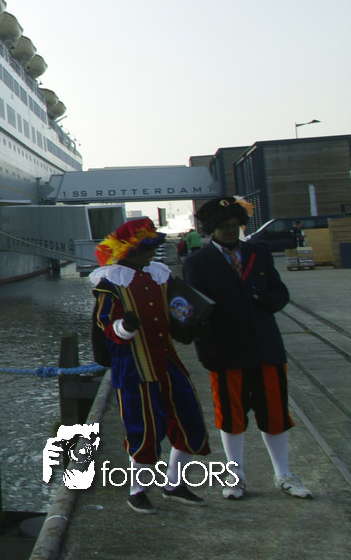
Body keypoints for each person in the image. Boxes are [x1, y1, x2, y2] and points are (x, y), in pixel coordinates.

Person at [183, 197, 312, 500]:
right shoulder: (197, 263)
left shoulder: (259, 254)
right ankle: (235, 476)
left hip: (266, 349)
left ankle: (284, 475)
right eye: (224, 226)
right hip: (226, 354)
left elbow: (280, 291)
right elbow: (194, 312)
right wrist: (206, 353)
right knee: (231, 417)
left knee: (275, 414)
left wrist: (270, 301)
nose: (231, 231)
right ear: (211, 229)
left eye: (235, 225)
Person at [91, 217, 211, 513]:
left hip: (167, 361)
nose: (151, 255)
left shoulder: (160, 277)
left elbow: (178, 311)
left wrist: (194, 321)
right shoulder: (111, 284)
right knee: (144, 429)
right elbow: (106, 324)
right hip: (135, 366)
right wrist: (125, 327)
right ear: (129, 252)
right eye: (146, 249)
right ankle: (137, 489)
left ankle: (174, 483)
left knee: (189, 419)